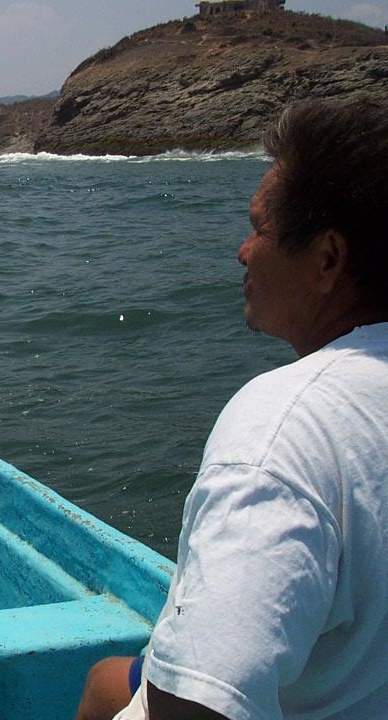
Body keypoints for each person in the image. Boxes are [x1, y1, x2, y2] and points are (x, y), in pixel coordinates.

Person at [75, 96, 388, 719]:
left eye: (260, 229)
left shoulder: (288, 426)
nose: (243, 252)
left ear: (327, 260)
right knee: (109, 680)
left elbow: (197, 710)